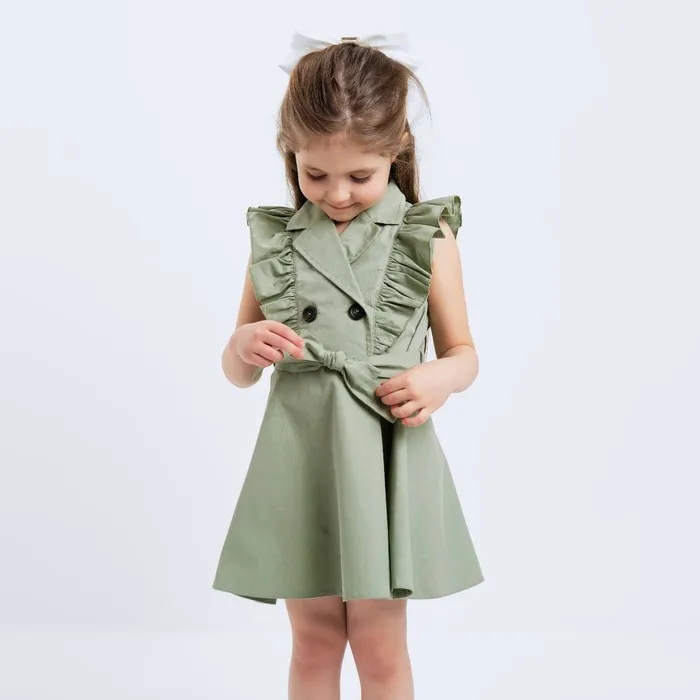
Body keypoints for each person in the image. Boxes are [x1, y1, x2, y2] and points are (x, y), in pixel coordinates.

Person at [212, 31, 484, 700]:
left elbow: (464, 355)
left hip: (383, 444)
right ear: (291, 154)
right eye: (315, 175)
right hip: (301, 450)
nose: (336, 194)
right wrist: (243, 347)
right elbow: (238, 370)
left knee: (379, 644)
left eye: (360, 176)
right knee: (312, 640)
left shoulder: (425, 235)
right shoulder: (276, 241)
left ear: (397, 150)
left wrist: (438, 378)